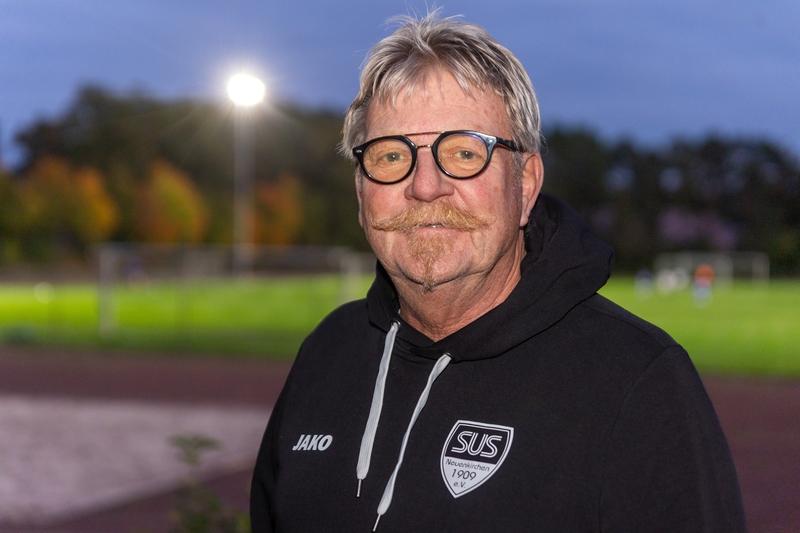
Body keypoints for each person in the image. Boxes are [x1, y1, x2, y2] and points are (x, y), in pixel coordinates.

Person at [251, 12, 745, 533]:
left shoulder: (639, 383)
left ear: (525, 185)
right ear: (360, 192)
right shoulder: (328, 352)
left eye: (465, 152)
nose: (425, 186)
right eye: (392, 156)